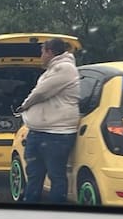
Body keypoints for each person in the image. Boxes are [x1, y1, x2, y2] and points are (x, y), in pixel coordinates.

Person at [17, 38, 80, 204]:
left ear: (50, 52)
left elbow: (41, 93)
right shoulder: (52, 69)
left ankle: (55, 215)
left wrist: (23, 106)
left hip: (57, 134)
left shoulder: (65, 68)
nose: (41, 56)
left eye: (42, 52)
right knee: (34, 174)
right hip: (38, 132)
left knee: (56, 175)